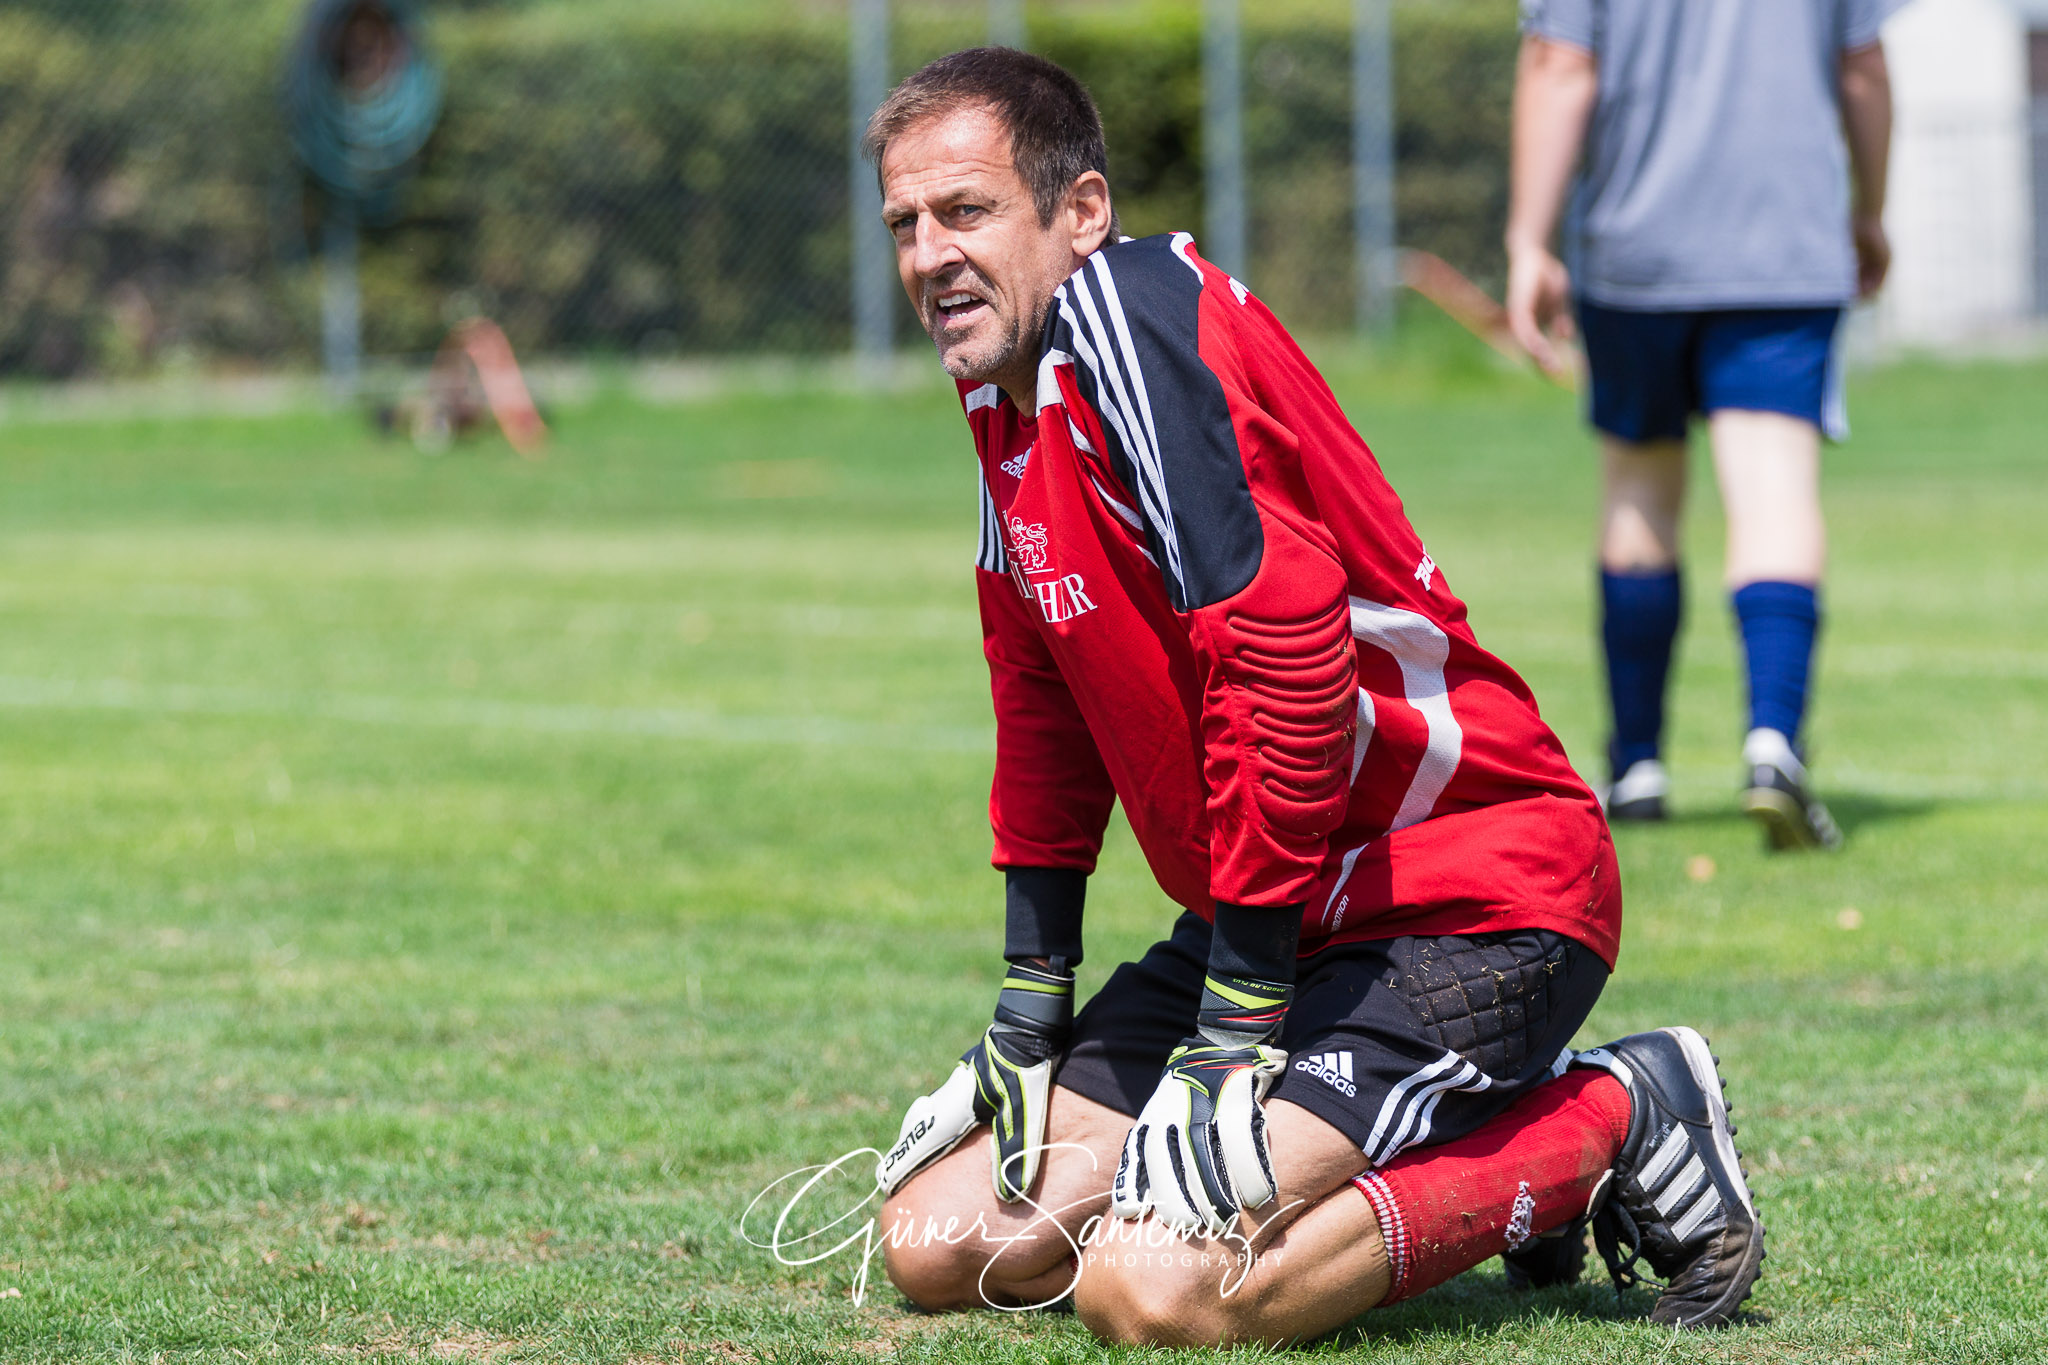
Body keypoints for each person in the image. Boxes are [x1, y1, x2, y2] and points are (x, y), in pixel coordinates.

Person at [863, 48, 1762, 1346]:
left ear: (1081, 213)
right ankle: (1414, 1135)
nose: (930, 254)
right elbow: (1042, 693)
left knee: (1156, 1289)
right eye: (905, 224)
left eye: (966, 210)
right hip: (1273, 915)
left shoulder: (1127, 312)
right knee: (943, 1240)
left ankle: (1605, 1116)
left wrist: (1234, 1031)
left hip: (1461, 897)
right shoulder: (1000, 394)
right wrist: (1030, 990)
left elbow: (1286, 647)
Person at [1505, 0, 1902, 847]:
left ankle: (1638, 766)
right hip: (1785, 251)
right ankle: (1773, 747)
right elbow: (1862, 66)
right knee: (1774, 488)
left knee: (1640, 490)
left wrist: (1528, 241)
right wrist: (1870, 209)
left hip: (1635, 250)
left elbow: (1560, 66)